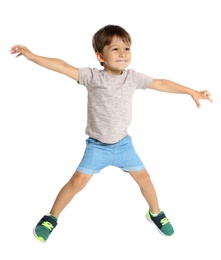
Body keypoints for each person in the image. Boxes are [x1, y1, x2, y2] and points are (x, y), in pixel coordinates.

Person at [10, 24, 212, 243]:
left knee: (145, 178)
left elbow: (161, 83)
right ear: (100, 56)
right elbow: (63, 66)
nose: (123, 53)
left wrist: (192, 92)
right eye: (115, 49)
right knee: (77, 182)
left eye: (127, 48)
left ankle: (155, 213)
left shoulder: (133, 78)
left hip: (124, 145)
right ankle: (51, 218)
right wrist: (32, 56)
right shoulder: (92, 77)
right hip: (97, 146)